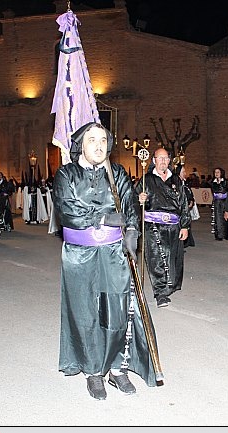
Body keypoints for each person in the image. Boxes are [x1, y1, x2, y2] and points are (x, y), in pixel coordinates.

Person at [53, 122, 159, 400]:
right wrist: (103, 217)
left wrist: (132, 232)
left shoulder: (118, 173)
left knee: (116, 309)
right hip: (80, 254)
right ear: (81, 144)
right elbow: (68, 210)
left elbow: (129, 206)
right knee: (85, 312)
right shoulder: (66, 174)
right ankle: (93, 372)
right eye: (92, 140)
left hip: (114, 252)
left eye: (103, 140)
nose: (99, 146)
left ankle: (116, 367)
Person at [138, 147, 191, 307]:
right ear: (153, 161)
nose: (162, 161)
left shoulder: (176, 180)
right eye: (159, 158)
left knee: (172, 258)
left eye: (165, 158)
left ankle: (169, 286)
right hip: (153, 226)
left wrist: (185, 226)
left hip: (174, 226)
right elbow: (135, 201)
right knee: (157, 258)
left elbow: (183, 204)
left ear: (169, 161)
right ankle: (160, 293)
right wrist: (140, 200)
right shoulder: (146, 180)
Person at [174, 160, 195, 248]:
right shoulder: (176, 183)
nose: (185, 173)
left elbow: (189, 193)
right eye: (183, 172)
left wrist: (191, 201)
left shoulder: (185, 182)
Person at [210, 167, 228, 241]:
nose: (216, 174)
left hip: (224, 201)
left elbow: (227, 191)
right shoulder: (213, 182)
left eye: (218, 172)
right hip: (217, 201)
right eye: (215, 172)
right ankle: (219, 234)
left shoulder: (225, 182)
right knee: (217, 217)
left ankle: (226, 234)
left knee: (225, 217)